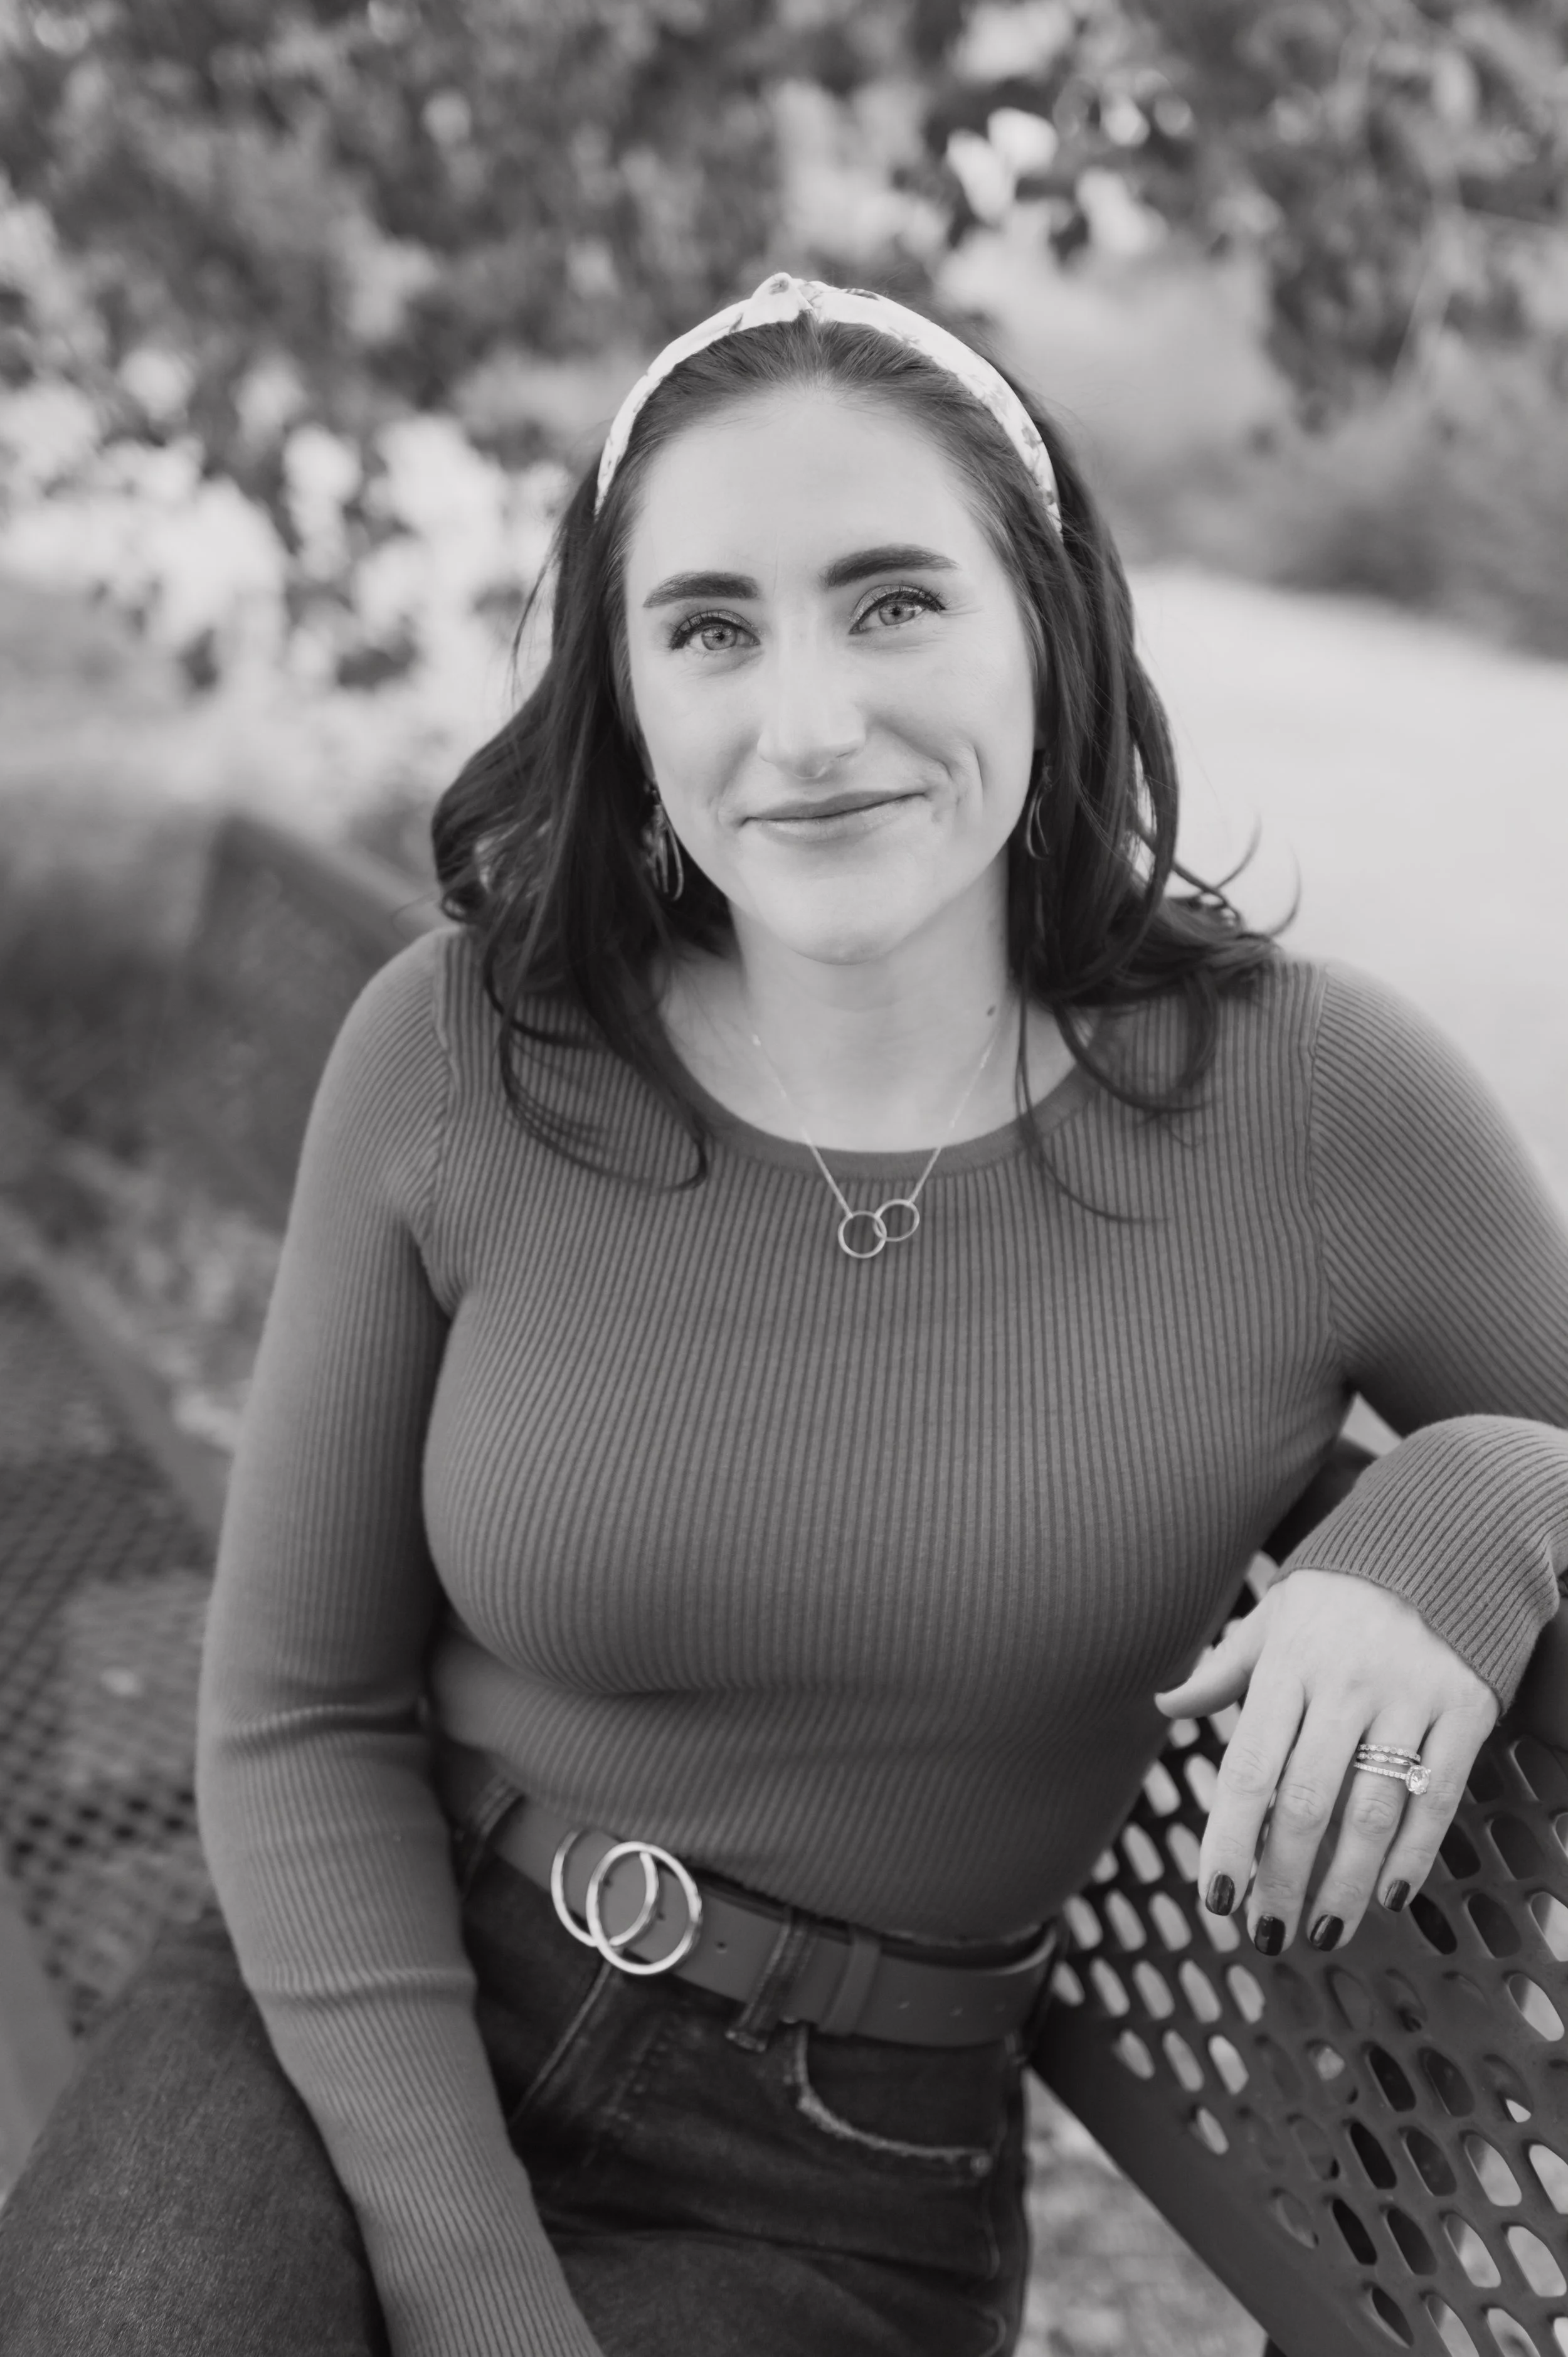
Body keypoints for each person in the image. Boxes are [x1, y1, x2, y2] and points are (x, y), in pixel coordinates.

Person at [3, 272, 1566, 2357]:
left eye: (893, 601)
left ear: (1049, 627)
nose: (810, 724)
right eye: (712, 627)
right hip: (353, 2014)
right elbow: (296, 1710)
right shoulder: (465, 1050)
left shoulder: (1308, 1105)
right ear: (629, 695)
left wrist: (1480, 1500)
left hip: (835, 2176)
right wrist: (480, 2294)